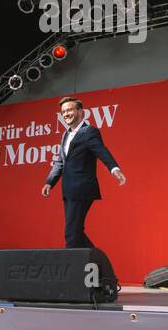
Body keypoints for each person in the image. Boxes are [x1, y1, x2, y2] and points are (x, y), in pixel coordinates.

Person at [41, 97, 126, 251]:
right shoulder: (65, 135)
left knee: (71, 234)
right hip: (68, 190)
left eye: (69, 110)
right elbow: (60, 161)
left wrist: (114, 168)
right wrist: (49, 182)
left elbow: (101, 150)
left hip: (81, 188)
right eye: (63, 112)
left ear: (81, 112)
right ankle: (98, 266)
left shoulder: (89, 131)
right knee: (75, 232)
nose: (66, 114)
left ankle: (75, 269)